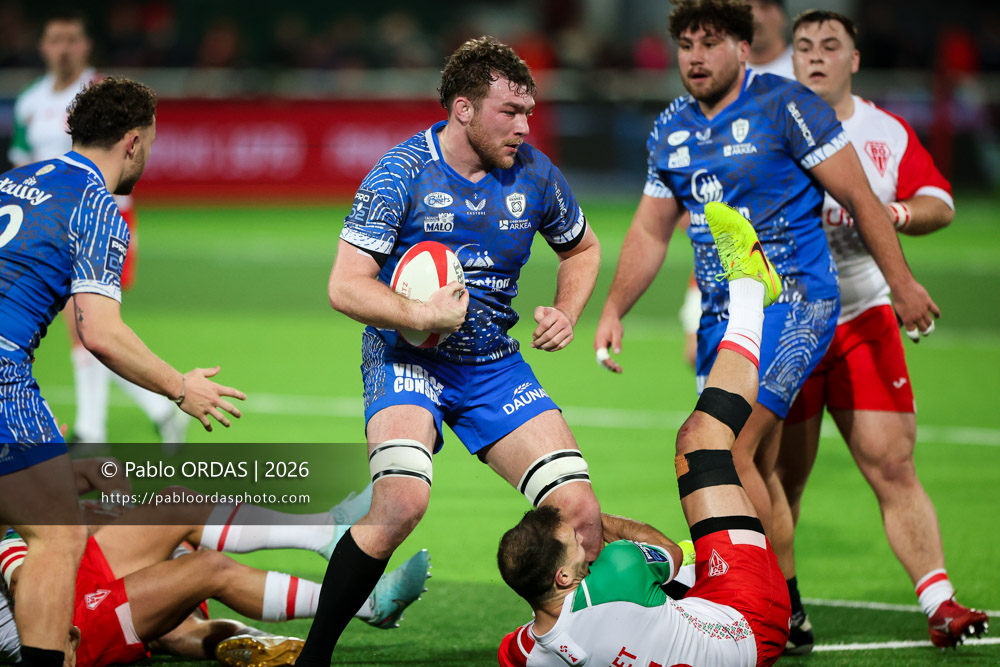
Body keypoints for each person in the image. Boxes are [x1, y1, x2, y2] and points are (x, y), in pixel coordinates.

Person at [298, 35, 603, 664]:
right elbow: (344, 284)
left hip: (493, 366)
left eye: (529, 112)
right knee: (401, 502)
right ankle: (315, 658)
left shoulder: (537, 174)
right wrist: (420, 314)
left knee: (580, 514)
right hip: (407, 361)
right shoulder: (401, 172)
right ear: (463, 108)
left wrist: (567, 311)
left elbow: (582, 247)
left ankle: (573, 648)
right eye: (509, 112)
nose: (524, 126)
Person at [594, 0, 937, 549]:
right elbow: (651, 232)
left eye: (710, 44)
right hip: (721, 318)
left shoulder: (787, 106)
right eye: (686, 46)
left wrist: (902, 283)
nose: (696, 58)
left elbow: (859, 198)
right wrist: (613, 309)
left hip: (794, 301)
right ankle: (786, 609)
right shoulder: (670, 128)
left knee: (723, 447)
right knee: (761, 464)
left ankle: (753, 605)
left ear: (743, 48)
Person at [0, 76, 244, 667]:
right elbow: (101, 334)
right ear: (132, 142)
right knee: (57, 535)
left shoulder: (12, 180)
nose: (149, 157)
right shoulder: (97, 206)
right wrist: (179, 387)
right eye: (152, 145)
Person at [770, 10, 989, 653]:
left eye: (830, 45)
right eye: (804, 45)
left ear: (854, 60)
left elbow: (940, 202)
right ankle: (783, 605)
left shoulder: (882, 133)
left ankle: (939, 602)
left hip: (864, 316)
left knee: (893, 464)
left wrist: (887, 213)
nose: (815, 56)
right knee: (782, 478)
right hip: (790, 320)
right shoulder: (766, 129)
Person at [499, 203, 790, 667]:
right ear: (561, 577)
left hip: (694, 618)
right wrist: (592, 516)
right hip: (752, 616)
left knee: (678, 577)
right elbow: (667, 552)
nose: (582, 537)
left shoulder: (525, 651)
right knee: (699, 442)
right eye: (575, 540)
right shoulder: (615, 575)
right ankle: (752, 286)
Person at [0, 482, 431, 667]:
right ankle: (370, 604)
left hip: (67, 575)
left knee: (175, 505)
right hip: (60, 625)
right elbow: (23, 581)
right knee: (207, 569)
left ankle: (327, 529)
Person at [7, 12, 186, 446]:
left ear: (84, 46)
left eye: (72, 39)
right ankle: (151, 410)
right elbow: (20, 160)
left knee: (86, 326)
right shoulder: (29, 102)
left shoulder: (102, 95)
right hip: (49, 216)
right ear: (43, 47)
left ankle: (92, 428)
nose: (64, 47)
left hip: (103, 216)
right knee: (91, 329)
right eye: (56, 39)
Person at [746, 0, 794, 78]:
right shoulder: (725, 71)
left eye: (765, 7)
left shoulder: (807, 68)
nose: (755, 17)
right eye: (747, 8)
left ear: (783, 15)